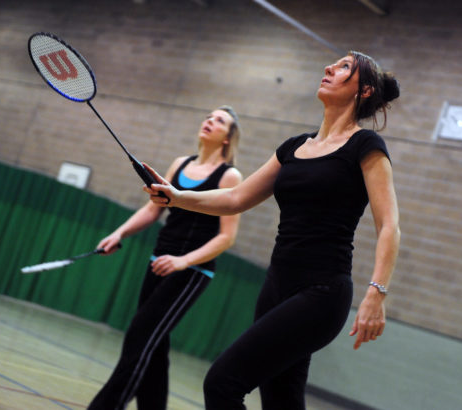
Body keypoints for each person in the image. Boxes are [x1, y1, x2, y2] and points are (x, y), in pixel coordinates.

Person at [145, 51, 401, 410]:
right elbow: (236, 197)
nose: (329, 68)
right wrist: (176, 197)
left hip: (321, 293)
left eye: (344, 67)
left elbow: (389, 224)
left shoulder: (366, 146)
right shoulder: (294, 146)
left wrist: (377, 293)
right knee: (282, 399)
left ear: (366, 91)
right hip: (276, 287)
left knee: (222, 383)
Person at [87, 106, 243, 410]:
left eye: (220, 121)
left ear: (228, 137)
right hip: (158, 263)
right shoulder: (180, 164)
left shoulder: (230, 176)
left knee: (141, 338)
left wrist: (184, 261)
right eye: (209, 117)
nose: (210, 121)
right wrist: (119, 233)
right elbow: (153, 208)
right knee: (155, 348)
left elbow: (227, 237)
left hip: (191, 271)